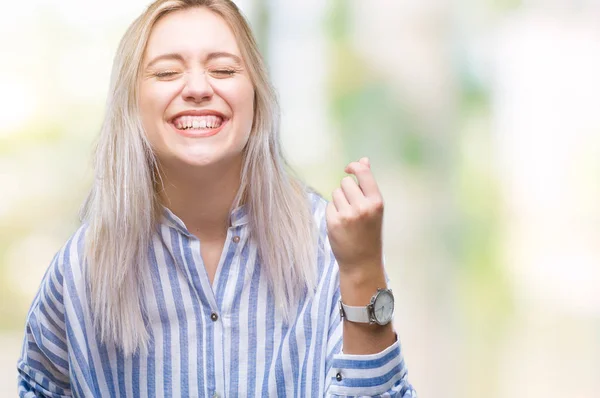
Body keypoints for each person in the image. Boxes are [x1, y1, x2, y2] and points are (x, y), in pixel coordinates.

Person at [16, 0, 417, 396]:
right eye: (167, 72)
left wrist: (363, 270)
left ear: (257, 98)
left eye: (223, 69)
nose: (197, 88)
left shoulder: (330, 250)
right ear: (132, 105)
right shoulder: (79, 271)